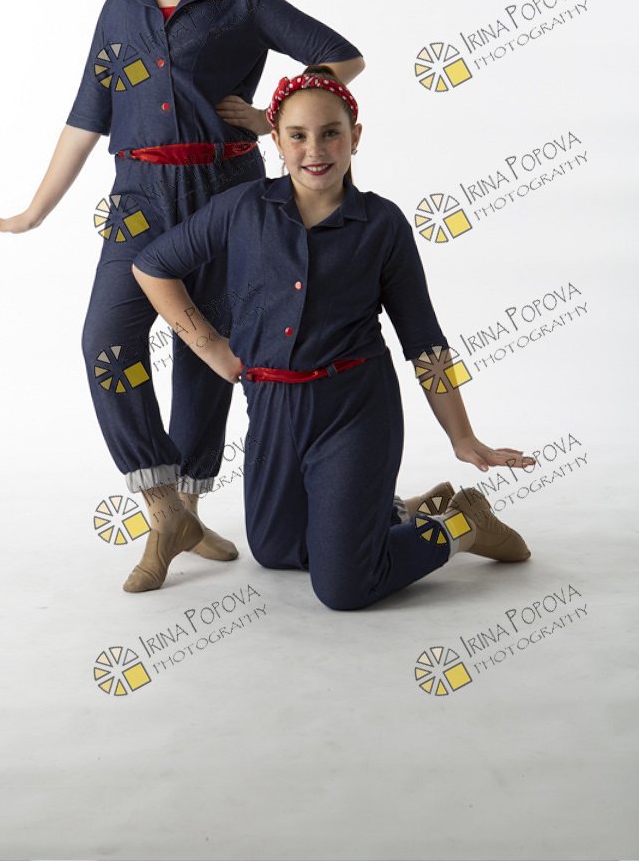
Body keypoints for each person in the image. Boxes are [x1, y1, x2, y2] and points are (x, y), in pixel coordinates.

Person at [0, 0, 369, 592]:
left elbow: (344, 55)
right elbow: (87, 117)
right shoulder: (118, 11)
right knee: (106, 342)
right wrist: (35, 210)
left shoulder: (246, 3)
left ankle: (187, 510)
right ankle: (163, 507)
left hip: (228, 193)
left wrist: (272, 116)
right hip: (138, 198)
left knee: (205, 350)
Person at [131, 67, 533, 611]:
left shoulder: (382, 224)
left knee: (343, 587)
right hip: (271, 408)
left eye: (330, 133)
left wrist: (462, 436)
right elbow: (153, 265)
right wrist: (211, 348)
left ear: (355, 137)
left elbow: (425, 343)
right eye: (297, 135)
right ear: (276, 140)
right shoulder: (241, 208)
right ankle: (394, 514)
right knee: (275, 550)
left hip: (354, 409)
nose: (314, 150)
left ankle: (463, 524)